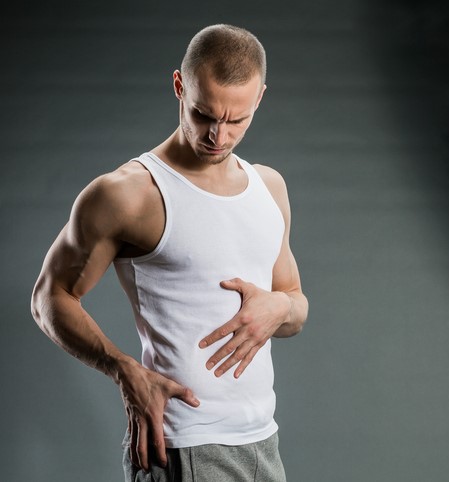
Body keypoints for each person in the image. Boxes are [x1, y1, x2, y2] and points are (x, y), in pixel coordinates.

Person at [31, 24, 308, 481]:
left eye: (236, 120)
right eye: (203, 114)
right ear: (179, 86)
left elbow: (296, 303)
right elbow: (49, 297)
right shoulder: (129, 193)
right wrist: (122, 369)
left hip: (263, 441)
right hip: (185, 444)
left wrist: (279, 306)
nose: (218, 135)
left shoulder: (269, 187)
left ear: (259, 99)